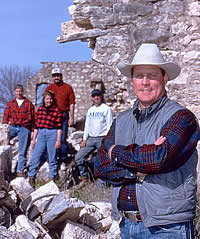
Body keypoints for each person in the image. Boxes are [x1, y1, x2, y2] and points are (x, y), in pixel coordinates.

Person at [94, 43, 200, 238]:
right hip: (126, 226)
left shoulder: (182, 118)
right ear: (132, 80)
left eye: (152, 76)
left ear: (165, 78)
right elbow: (100, 166)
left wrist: (116, 152)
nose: (145, 82)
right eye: (139, 76)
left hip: (167, 228)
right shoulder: (122, 121)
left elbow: (158, 158)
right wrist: (138, 169)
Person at [75, 89, 113, 186]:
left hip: (102, 138)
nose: (96, 98)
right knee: (79, 157)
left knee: (103, 159)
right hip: (91, 138)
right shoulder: (91, 110)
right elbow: (87, 125)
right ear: (92, 98)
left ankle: (102, 182)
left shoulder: (106, 109)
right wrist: (84, 139)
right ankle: (85, 178)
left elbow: (110, 125)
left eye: (98, 95)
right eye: (94, 96)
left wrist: (108, 139)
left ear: (101, 97)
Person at [28, 90, 62, 187]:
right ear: (44, 99)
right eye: (47, 99)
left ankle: (52, 179)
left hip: (53, 132)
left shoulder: (56, 110)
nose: (49, 101)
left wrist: (58, 140)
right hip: (41, 133)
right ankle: (31, 177)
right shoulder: (40, 109)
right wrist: (34, 139)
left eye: (51, 99)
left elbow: (59, 127)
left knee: (52, 156)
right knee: (36, 155)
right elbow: (36, 126)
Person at [2, 84, 35, 177]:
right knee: (4, 143)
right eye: (17, 91)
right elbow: (6, 115)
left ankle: (20, 170)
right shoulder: (11, 103)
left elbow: (33, 118)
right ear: (14, 92)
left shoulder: (28, 103)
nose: (19, 93)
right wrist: (4, 124)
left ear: (22, 92)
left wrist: (32, 130)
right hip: (13, 126)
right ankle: (4, 167)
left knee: (23, 150)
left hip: (24, 127)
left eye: (20, 91)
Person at [45, 67, 75, 168]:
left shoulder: (68, 87)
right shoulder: (49, 88)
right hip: (52, 116)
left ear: (61, 76)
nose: (56, 77)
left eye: (58, 75)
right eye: (54, 76)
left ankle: (63, 159)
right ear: (52, 77)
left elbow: (71, 103)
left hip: (63, 115)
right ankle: (53, 158)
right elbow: (45, 103)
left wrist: (71, 117)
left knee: (62, 138)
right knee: (52, 138)